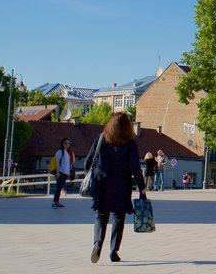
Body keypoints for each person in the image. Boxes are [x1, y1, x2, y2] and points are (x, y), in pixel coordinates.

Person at [85, 112, 146, 263]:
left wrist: (94, 175)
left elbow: (88, 162)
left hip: (102, 183)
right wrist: (142, 187)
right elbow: (135, 167)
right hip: (121, 184)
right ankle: (114, 251)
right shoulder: (130, 143)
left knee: (100, 215)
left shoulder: (101, 138)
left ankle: (97, 243)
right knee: (118, 217)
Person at [52, 138, 72, 208]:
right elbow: (57, 162)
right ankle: (55, 202)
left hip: (65, 173)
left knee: (61, 187)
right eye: (65, 143)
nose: (67, 145)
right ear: (62, 143)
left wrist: (68, 173)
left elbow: (67, 164)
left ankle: (56, 201)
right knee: (59, 187)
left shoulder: (68, 153)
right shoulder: (60, 152)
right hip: (60, 172)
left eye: (68, 143)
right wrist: (57, 172)